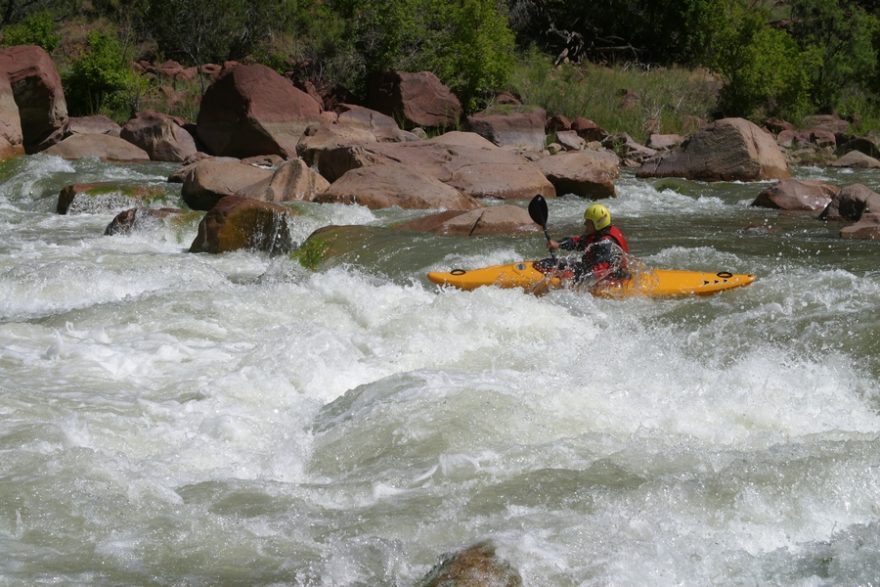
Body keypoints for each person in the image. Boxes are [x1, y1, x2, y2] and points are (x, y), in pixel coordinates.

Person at [535, 203, 630, 284]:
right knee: (549, 263)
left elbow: (599, 272)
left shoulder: (605, 244)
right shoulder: (599, 234)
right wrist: (558, 244)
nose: (585, 224)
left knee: (561, 268)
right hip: (592, 269)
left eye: (588, 222)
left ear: (597, 224)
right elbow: (579, 242)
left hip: (610, 278)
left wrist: (571, 277)